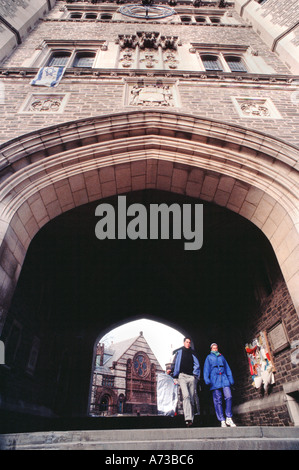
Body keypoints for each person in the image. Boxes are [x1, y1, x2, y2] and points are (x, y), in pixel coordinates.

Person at [168, 337, 200, 427]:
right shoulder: (179, 352)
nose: (188, 344)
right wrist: (171, 370)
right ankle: (188, 418)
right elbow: (174, 363)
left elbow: (197, 365)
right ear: (184, 342)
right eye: (187, 342)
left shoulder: (193, 353)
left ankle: (192, 418)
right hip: (182, 376)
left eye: (189, 342)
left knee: (192, 398)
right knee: (186, 396)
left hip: (191, 377)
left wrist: (195, 375)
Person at [203, 343, 236, 427]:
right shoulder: (208, 358)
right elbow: (206, 369)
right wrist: (207, 379)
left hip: (224, 378)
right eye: (213, 348)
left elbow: (227, 368)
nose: (215, 349)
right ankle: (222, 419)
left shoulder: (222, 357)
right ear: (211, 349)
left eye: (216, 348)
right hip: (215, 379)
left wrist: (230, 378)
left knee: (229, 396)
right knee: (218, 400)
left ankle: (229, 417)